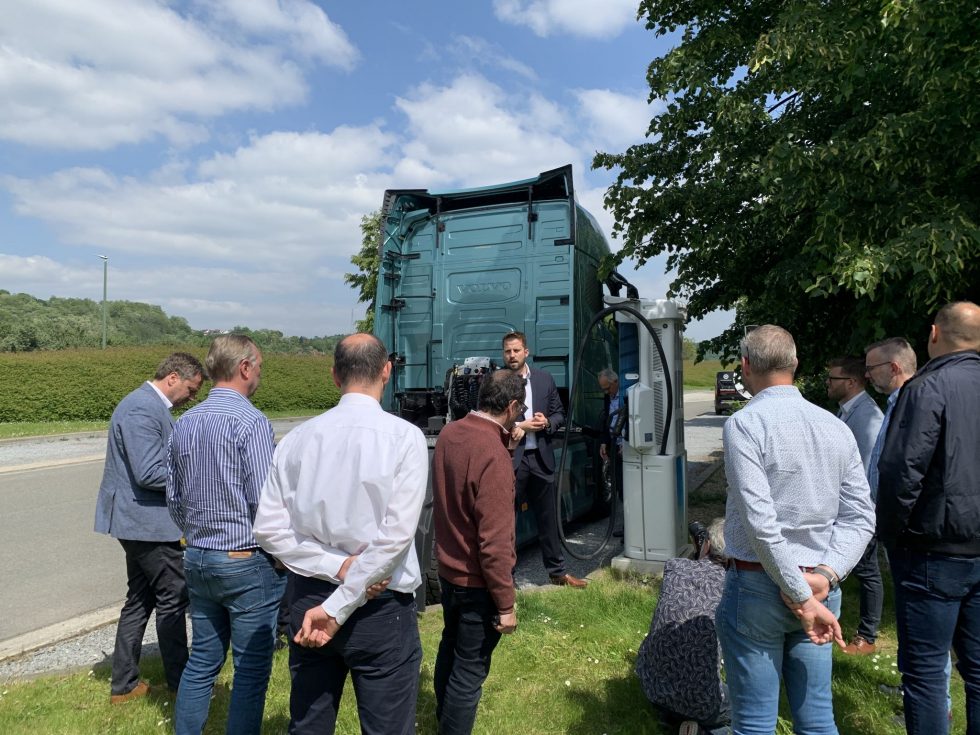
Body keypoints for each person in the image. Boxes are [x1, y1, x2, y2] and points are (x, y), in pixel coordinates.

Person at [253, 333, 427, 735]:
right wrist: (344, 586)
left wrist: (335, 574)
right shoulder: (405, 438)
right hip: (378, 606)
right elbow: (395, 540)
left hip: (310, 596)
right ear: (387, 371)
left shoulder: (297, 439)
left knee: (309, 724)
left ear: (334, 375)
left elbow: (269, 529)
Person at [716, 324, 874, 734]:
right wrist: (826, 576)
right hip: (821, 587)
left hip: (761, 587)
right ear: (795, 364)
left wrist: (805, 594)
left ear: (745, 366)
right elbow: (861, 517)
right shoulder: (835, 425)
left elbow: (760, 524)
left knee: (754, 723)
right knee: (818, 717)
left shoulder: (745, 424)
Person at [166, 335, 286, 735]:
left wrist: (197, 533)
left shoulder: (185, 422)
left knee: (202, 659)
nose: (260, 377)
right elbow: (265, 501)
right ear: (246, 368)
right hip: (244, 559)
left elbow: (174, 497)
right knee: (251, 670)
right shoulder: (250, 421)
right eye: (260, 369)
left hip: (198, 555)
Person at [876, 301, 980, 735]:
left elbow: (901, 471)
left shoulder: (926, 388)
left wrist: (890, 534)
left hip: (932, 550)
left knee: (924, 672)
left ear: (935, 333)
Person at [94, 352, 204, 704]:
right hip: (146, 525)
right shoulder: (142, 408)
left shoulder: (146, 406)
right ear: (172, 377)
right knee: (174, 597)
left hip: (140, 522)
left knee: (140, 600)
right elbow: (149, 472)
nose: (192, 397)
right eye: (190, 389)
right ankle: (182, 683)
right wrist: (200, 478)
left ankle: (124, 684)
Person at [431, 369, 524, 734]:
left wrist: (506, 449)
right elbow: (495, 542)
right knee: (469, 671)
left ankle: (442, 720)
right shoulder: (492, 454)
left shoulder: (451, 433)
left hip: (449, 571)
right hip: (476, 582)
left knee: (450, 650)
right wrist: (505, 604)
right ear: (513, 406)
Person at [502, 331, 586, 588]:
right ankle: (507, 578)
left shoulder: (544, 380)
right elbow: (490, 417)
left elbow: (560, 413)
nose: (512, 355)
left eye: (516, 350)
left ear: (527, 352)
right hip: (512, 459)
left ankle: (557, 572)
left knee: (548, 518)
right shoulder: (498, 382)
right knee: (508, 521)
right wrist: (522, 425)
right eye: (507, 351)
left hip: (540, 458)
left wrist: (547, 422)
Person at [636, 518, 730, 735]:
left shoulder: (674, 566)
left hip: (652, 688)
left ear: (706, 545)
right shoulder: (734, 586)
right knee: (753, 710)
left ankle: (674, 721)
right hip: (703, 700)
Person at [826, 355, 884, 655]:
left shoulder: (867, 416)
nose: (827, 383)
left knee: (867, 569)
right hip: (847, 508)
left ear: (851, 382)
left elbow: (868, 468)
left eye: (832, 378)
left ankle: (868, 636)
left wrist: (865, 515)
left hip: (861, 510)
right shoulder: (848, 410)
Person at [597, 368, 624, 507]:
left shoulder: (626, 395)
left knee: (628, 487)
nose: (606, 392)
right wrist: (603, 442)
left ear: (615, 382)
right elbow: (606, 419)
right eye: (603, 389)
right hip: (614, 445)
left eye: (607, 388)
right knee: (619, 485)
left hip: (626, 446)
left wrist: (627, 442)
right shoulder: (608, 396)